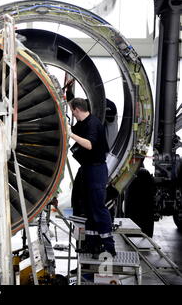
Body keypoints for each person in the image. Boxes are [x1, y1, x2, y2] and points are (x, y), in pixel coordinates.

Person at [68, 98, 116, 257]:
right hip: (88, 170)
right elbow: (74, 129)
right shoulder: (82, 123)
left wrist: (70, 135)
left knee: (98, 208)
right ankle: (92, 243)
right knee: (89, 209)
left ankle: (109, 247)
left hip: (96, 171)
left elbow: (89, 144)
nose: (72, 114)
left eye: (72, 111)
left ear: (76, 110)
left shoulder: (93, 123)